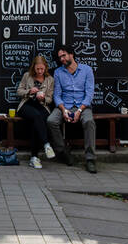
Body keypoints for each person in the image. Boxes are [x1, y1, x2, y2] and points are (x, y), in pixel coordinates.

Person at [46, 44, 98, 174]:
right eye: (60, 57)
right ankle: (63, 151)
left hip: (83, 106)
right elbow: (57, 95)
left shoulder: (86, 70)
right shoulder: (58, 72)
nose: (62, 59)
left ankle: (90, 159)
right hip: (66, 105)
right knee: (51, 120)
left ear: (71, 54)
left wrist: (79, 111)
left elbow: (89, 93)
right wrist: (63, 110)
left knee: (89, 122)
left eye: (64, 55)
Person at [16, 55, 55, 169]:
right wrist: (29, 91)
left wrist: (43, 98)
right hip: (26, 105)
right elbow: (19, 91)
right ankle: (46, 144)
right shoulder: (27, 76)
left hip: (42, 106)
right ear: (34, 68)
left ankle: (34, 158)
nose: (40, 71)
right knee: (37, 117)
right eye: (37, 69)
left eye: (42, 69)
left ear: (45, 68)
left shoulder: (50, 80)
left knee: (36, 122)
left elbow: (50, 99)